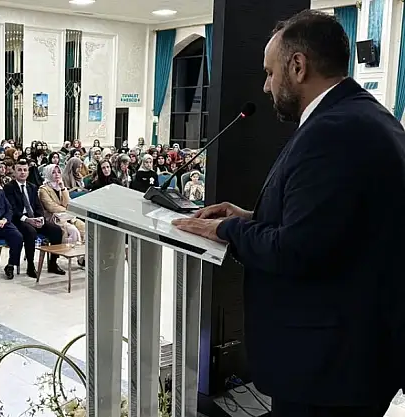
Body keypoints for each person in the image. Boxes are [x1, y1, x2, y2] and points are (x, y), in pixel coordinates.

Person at [172, 11, 405, 417]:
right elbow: (334, 229)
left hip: (328, 371)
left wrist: (227, 229)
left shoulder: (333, 132)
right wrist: (251, 217)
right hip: (350, 358)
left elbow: (298, 250)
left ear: (298, 66)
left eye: (269, 72)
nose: (265, 86)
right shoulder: (364, 116)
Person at [4, 160, 65, 278]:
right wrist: (27, 220)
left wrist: (40, 218)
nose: (22, 172)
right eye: (19, 170)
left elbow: (38, 206)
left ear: (28, 172)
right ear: (14, 172)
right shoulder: (9, 187)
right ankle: (30, 266)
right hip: (19, 220)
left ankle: (53, 263)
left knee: (56, 230)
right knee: (30, 232)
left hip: (34, 218)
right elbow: (12, 208)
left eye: (25, 170)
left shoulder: (32, 186)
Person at [39, 164, 85, 251]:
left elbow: (68, 204)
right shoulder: (43, 190)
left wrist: (63, 188)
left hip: (68, 217)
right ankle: (70, 254)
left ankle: (83, 255)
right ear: (48, 174)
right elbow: (51, 207)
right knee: (73, 231)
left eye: (59, 172)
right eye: (53, 172)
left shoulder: (60, 186)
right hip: (54, 218)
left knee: (84, 227)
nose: (57, 174)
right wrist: (67, 210)